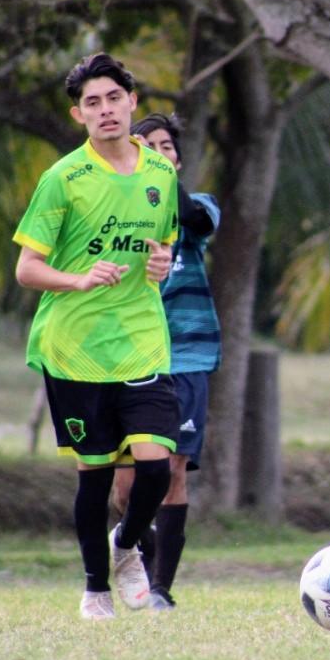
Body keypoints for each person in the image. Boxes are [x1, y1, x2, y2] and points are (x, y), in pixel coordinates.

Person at [13, 53, 179, 620]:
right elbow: (27, 269)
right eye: (92, 103)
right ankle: (95, 590)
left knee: (156, 466)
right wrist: (79, 278)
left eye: (114, 98)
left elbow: (164, 243)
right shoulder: (63, 179)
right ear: (77, 114)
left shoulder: (161, 172)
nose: (105, 110)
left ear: (132, 102)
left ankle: (125, 545)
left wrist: (162, 262)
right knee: (95, 471)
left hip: (141, 337)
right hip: (76, 346)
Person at [108, 113, 221, 612]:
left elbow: (197, 220)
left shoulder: (199, 209)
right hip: (129, 357)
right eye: (147, 147)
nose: (159, 153)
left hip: (186, 357)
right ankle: (136, 551)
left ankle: (160, 590)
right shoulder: (116, 218)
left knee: (174, 470)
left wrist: (157, 173)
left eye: (166, 147)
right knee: (124, 487)